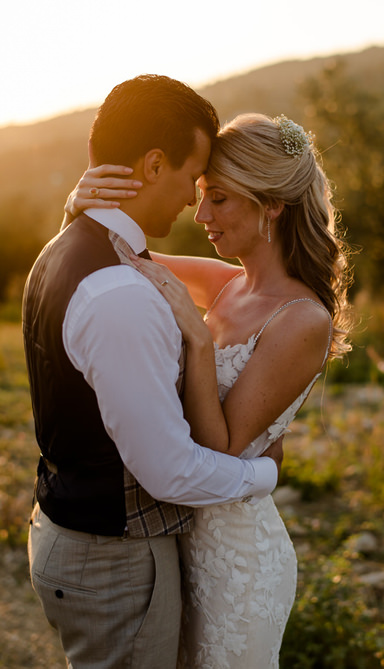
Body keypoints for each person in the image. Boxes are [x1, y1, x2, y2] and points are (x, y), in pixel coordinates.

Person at [63, 112, 352, 667]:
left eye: (218, 199)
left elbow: (220, 446)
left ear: (271, 205)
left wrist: (197, 340)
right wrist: (82, 206)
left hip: (238, 562)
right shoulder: (227, 283)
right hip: (179, 541)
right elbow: (121, 253)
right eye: (199, 196)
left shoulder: (301, 319)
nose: (201, 216)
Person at [23, 75, 284, 669]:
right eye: (192, 179)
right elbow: (167, 470)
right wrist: (264, 475)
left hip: (75, 533)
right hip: (114, 561)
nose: (194, 203)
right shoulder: (120, 292)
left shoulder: (65, 246)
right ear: (153, 163)